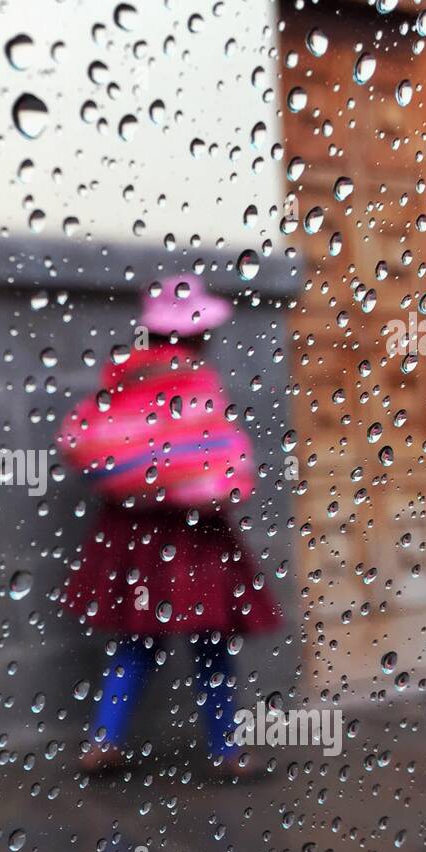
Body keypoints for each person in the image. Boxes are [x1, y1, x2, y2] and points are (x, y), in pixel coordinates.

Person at [57, 274, 282, 779]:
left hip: (130, 533)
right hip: (194, 537)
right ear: (196, 335)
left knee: (136, 643)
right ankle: (226, 749)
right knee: (212, 646)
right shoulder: (197, 381)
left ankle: (103, 741)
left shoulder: (122, 378)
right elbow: (223, 465)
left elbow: (88, 441)